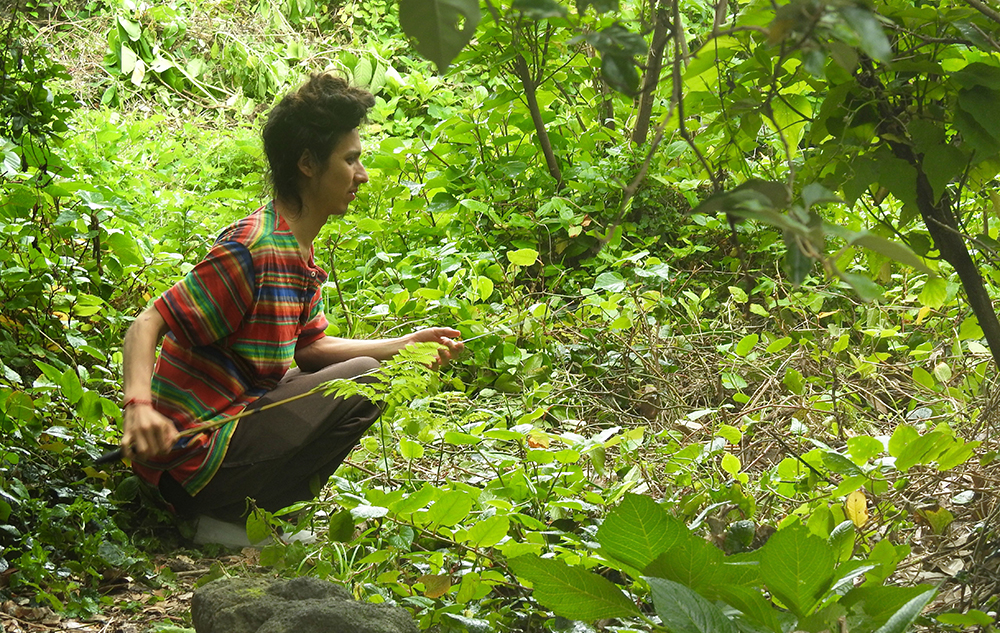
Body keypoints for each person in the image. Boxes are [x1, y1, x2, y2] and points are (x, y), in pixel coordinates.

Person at [119, 73, 463, 545]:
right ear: (307, 163)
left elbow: (311, 348)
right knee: (364, 377)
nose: (361, 175)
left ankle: (252, 517)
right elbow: (147, 323)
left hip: (226, 433)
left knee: (368, 372)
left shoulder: (296, 250)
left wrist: (405, 346)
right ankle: (226, 522)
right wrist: (138, 408)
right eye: (350, 160)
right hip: (189, 460)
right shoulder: (256, 248)